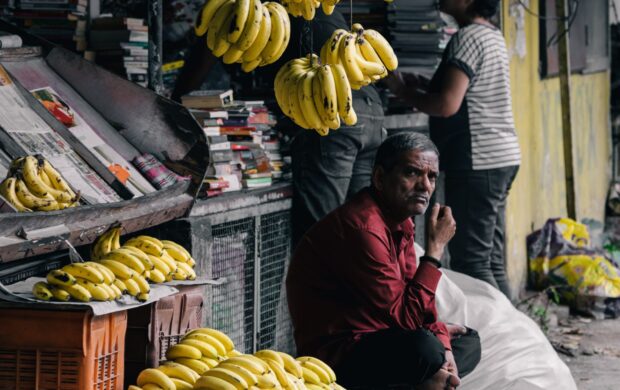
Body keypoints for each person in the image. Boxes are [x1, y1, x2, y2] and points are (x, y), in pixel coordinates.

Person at [172, 7, 385, 246]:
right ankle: (358, 280)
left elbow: (211, 47)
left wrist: (174, 102)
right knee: (361, 228)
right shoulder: (317, 6)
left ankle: (322, 282)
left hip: (331, 111)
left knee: (321, 231)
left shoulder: (259, 9)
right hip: (371, 110)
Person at [286, 132, 481, 389]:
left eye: (431, 176)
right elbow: (407, 319)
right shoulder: (364, 229)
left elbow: (418, 306)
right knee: (425, 348)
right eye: (412, 173)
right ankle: (431, 381)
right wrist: (434, 250)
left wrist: (444, 345)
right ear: (380, 178)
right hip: (337, 357)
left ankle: (435, 378)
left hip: (382, 334)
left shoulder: (402, 221)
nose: (425, 186)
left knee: (468, 340)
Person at [385, 0, 520, 299]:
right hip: (500, 157)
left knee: (472, 261)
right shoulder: (492, 34)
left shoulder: (467, 37)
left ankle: (495, 338)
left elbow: (448, 105)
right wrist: (428, 85)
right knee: (491, 260)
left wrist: (403, 92)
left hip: (478, 160)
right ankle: (515, 338)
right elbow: (467, 92)